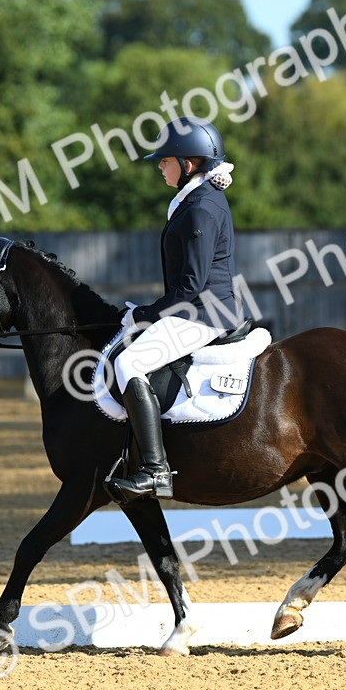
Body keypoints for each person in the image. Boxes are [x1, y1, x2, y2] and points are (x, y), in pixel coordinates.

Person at [106, 117, 242, 503]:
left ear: (189, 163)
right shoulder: (194, 200)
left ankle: (154, 470)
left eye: (165, 160)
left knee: (128, 363)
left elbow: (190, 286)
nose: (159, 166)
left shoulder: (200, 208)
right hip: (197, 308)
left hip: (203, 314)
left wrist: (143, 315)